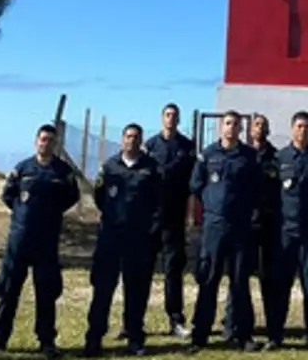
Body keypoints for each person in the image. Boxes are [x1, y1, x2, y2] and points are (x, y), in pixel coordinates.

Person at [0, 124, 80, 359]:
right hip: (20, 241)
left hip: (47, 241)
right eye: (43, 139)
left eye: (50, 140)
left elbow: (72, 196)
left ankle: (47, 341)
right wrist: (23, 214)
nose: (46, 144)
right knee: (8, 291)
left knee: (46, 292)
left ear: (56, 144)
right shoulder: (22, 169)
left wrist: (50, 213)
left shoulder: (63, 172)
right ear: (36, 142)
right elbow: (8, 195)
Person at [83, 123, 161, 357]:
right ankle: (94, 338)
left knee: (136, 290)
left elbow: (159, 201)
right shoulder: (109, 167)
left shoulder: (152, 168)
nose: (131, 141)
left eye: (136, 137)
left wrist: (150, 229)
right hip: (111, 237)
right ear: (122, 139)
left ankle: (135, 338)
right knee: (103, 289)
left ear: (141, 140)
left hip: (138, 239)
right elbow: (99, 196)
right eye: (128, 136)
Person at [189, 110, 264, 352]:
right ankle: (200, 335)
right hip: (213, 227)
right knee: (208, 280)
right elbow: (196, 186)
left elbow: (258, 190)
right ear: (221, 126)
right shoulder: (208, 155)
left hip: (240, 228)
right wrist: (209, 208)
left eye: (236, 124)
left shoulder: (249, 157)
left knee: (240, 282)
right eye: (228, 123)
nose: (231, 128)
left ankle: (243, 334)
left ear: (241, 129)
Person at [222, 115, 280, 346]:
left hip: (267, 226)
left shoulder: (276, 158)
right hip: (243, 225)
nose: (260, 128)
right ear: (249, 130)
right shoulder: (242, 155)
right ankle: (232, 324)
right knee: (238, 277)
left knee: (268, 279)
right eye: (256, 125)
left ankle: (273, 328)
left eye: (264, 125)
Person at [145, 102, 196, 338]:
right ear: (161, 118)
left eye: (174, 115)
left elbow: (193, 183)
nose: (171, 119)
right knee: (142, 269)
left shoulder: (187, 147)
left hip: (174, 218)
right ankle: (132, 322)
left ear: (179, 119)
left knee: (173, 269)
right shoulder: (150, 146)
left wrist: (191, 214)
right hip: (150, 218)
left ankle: (176, 320)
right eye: (167, 115)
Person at [268, 110, 308, 349]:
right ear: (292, 129)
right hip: (285, 233)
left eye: (306, 127)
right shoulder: (280, 158)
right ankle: (275, 336)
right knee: (280, 287)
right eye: (299, 127)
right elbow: (271, 196)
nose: (303, 131)